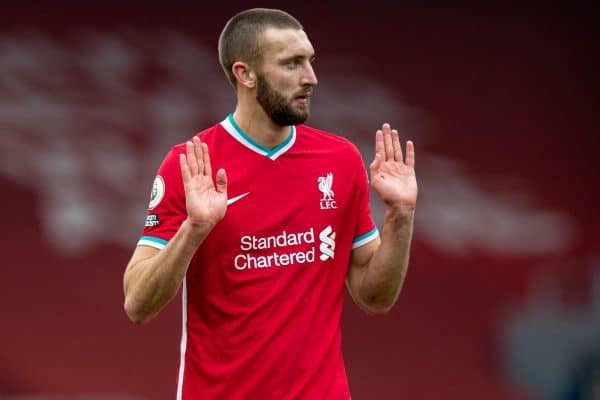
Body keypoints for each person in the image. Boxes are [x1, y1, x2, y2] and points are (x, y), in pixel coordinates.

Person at [123, 7, 417, 399]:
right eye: (292, 64)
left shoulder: (340, 160)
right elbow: (137, 305)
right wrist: (193, 231)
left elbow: (375, 296)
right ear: (245, 74)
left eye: (310, 61)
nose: (311, 77)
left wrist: (400, 215)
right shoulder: (192, 164)